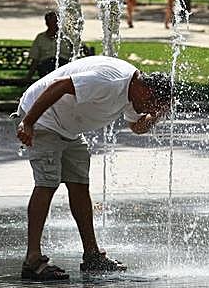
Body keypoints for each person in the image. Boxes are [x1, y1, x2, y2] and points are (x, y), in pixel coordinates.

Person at [15, 56, 172, 281]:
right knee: (47, 183)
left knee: (80, 185)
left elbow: (137, 127)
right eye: (152, 106)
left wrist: (155, 115)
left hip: (69, 129)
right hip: (43, 119)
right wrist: (28, 122)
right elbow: (59, 86)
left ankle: (92, 255)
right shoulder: (109, 81)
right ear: (147, 92)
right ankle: (32, 260)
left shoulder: (134, 92)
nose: (147, 110)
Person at [25, 12, 72, 81]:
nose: (55, 25)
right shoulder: (40, 37)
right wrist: (29, 77)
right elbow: (35, 59)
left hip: (63, 65)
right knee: (48, 69)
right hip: (46, 65)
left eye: (56, 22)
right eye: (52, 22)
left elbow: (81, 49)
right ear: (47, 23)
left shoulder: (68, 37)